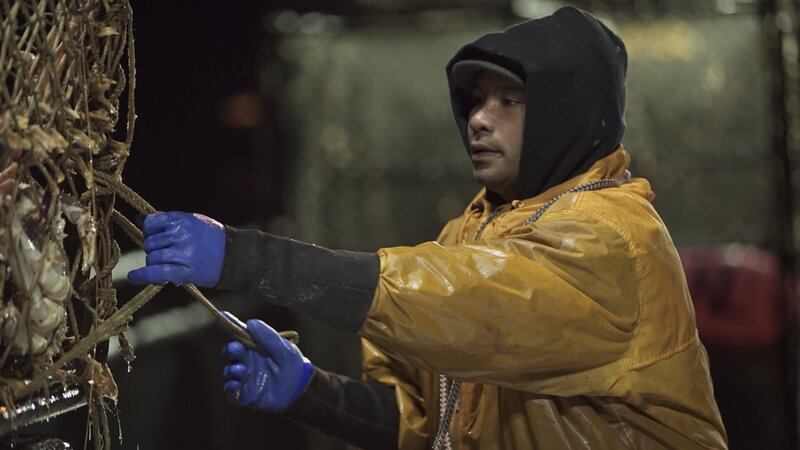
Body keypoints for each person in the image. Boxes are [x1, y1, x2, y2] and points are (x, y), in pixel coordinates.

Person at [128, 6, 727, 449]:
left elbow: (469, 307)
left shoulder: (611, 238)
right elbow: (431, 427)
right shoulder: (468, 234)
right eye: (475, 101)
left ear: (569, 110)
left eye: (509, 100)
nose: (478, 120)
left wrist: (245, 258)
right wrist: (311, 391)